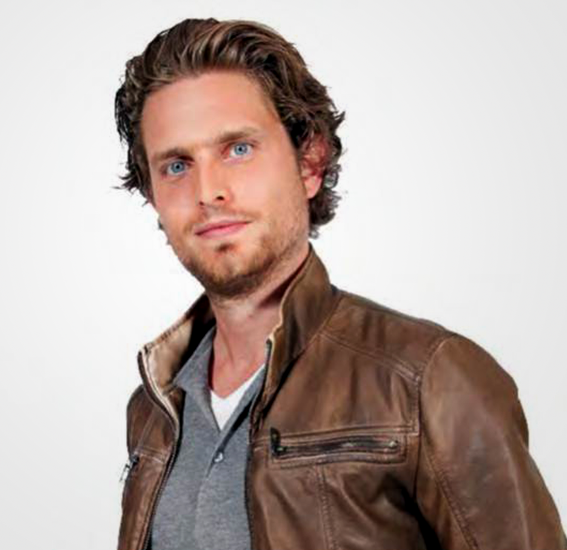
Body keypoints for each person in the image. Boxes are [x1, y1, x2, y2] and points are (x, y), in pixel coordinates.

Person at [113, 18, 565, 550]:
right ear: (152, 197)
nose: (207, 190)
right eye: (176, 166)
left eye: (238, 149)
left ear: (310, 162)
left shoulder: (427, 380)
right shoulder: (156, 408)